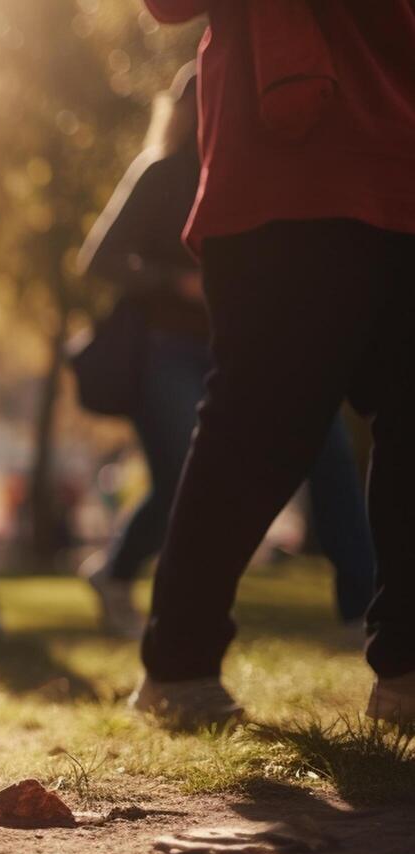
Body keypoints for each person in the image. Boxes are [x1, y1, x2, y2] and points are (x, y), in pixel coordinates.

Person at [131, 1, 415, 728]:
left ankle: (408, 672)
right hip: (284, 173)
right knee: (258, 426)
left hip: (402, 165)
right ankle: (180, 666)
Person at [77, 63, 376, 639]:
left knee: (325, 455)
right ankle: (140, 594)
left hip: (244, 343)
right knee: (183, 476)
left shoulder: (259, 173)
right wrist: (174, 281)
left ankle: (360, 608)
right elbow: (100, 258)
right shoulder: (162, 174)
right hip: (171, 350)